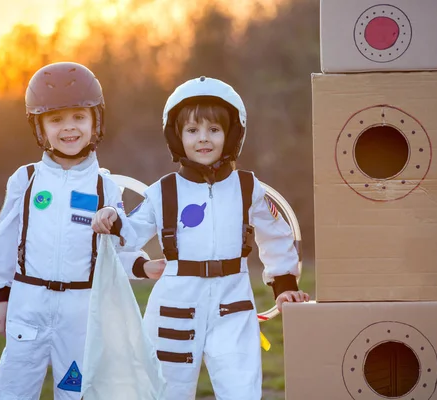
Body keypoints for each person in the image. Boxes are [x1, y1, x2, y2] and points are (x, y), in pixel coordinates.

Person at [92, 76, 310, 400]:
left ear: (232, 134)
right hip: (174, 308)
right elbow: (125, 235)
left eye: (214, 130)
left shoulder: (249, 188)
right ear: (177, 137)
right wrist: (111, 218)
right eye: (192, 131)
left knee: (242, 392)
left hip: (233, 308)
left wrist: (284, 287)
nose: (203, 139)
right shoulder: (162, 192)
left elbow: (276, 237)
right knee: (165, 392)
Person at [0, 61, 161, 400]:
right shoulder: (25, 179)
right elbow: (5, 241)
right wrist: (2, 297)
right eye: (56, 120)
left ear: (96, 121)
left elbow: (115, 252)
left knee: (75, 393)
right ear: (39, 127)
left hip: (80, 312)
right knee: (11, 392)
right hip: (27, 305)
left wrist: (142, 266)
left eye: (79, 117)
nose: (69, 129)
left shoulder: (104, 187)